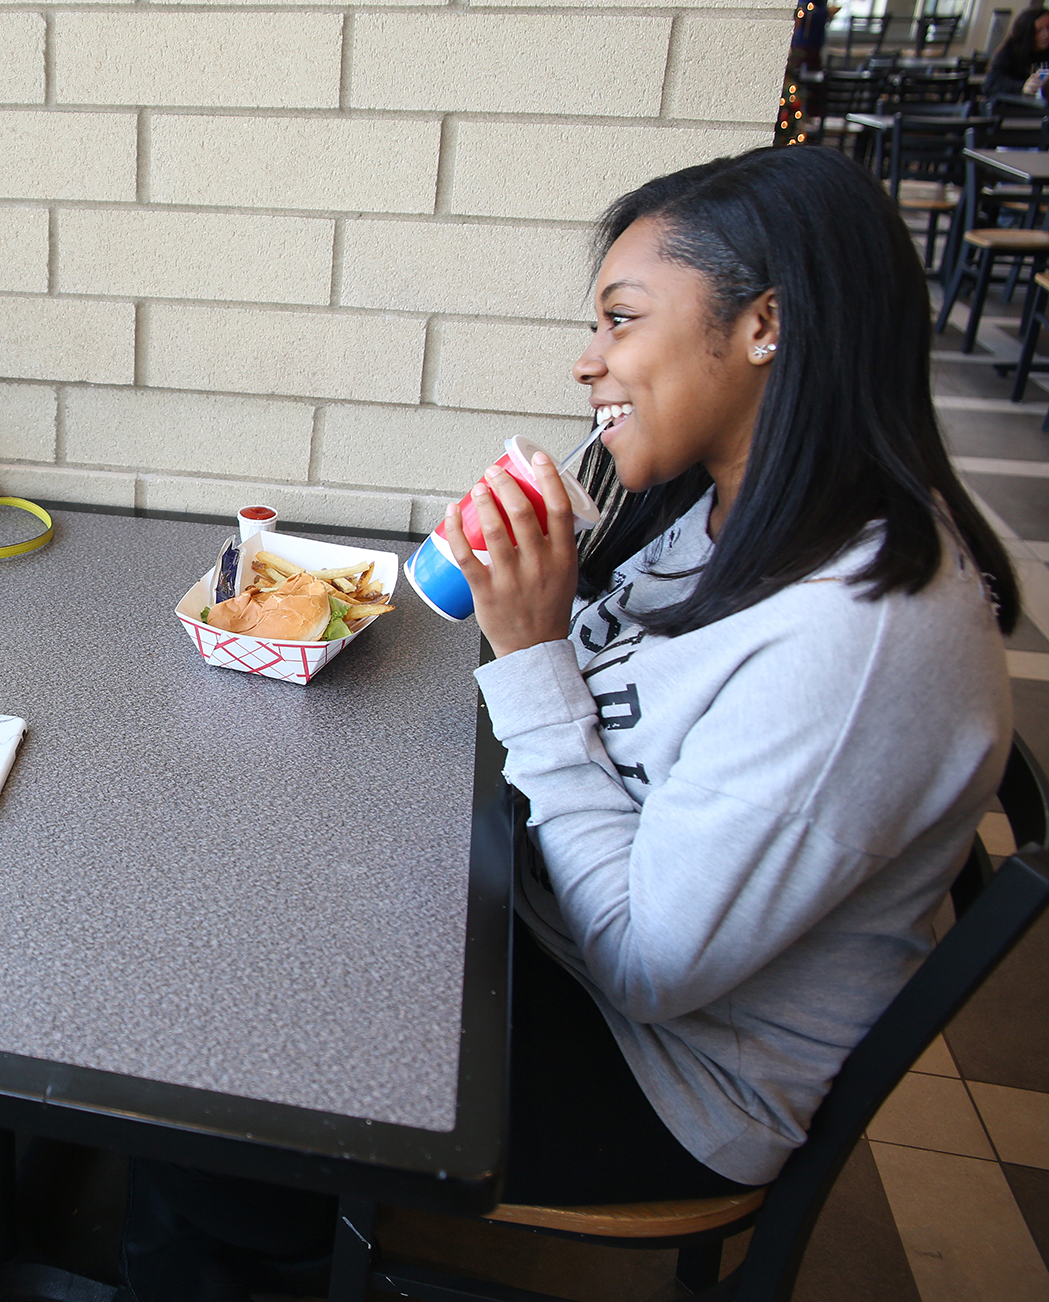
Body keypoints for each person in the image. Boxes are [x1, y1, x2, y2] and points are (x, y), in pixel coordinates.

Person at [120, 143, 1016, 1300]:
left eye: (620, 319)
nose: (586, 361)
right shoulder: (727, 512)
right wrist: (533, 584)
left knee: (185, 1082)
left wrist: (533, 648)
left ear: (766, 325)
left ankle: (272, 1231)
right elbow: (615, 696)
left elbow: (650, 965)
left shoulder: (861, 637)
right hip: (535, 931)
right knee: (224, 910)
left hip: (660, 1072)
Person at [984, 5, 1049, 99]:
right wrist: (1022, 87)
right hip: (1013, 107)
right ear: (1027, 33)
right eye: (1038, 31)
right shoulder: (1010, 51)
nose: (1046, 35)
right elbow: (991, 83)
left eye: (1048, 28)